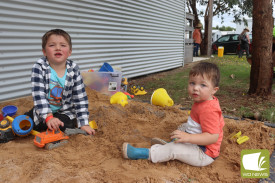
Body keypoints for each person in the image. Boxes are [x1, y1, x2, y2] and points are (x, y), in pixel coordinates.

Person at [122, 62, 224, 167]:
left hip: (204, 153)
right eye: (192, 83)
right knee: (183, 126)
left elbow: (212, 137)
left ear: (214, 90)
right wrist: (187, 135)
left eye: (203, 85)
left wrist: (188, 137)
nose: (196, 88)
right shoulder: (203, 99)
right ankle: (172, 143)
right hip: (196, 140)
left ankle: (146, 153)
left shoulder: (210, 110)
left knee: (174, 149)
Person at [25, 29, 95, 135]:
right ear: (44, 52)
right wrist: (48, 117)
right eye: (52, 45)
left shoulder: (74, 69)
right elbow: (39, 95)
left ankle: (51, 126)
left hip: (64, 111)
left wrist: (84, 123)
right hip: (43, 109)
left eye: (63, 45)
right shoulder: (39, 67)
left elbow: (80, 98)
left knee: (65, 124)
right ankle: (43, 123)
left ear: (70, 52)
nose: (58, 48)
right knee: (28, 120)